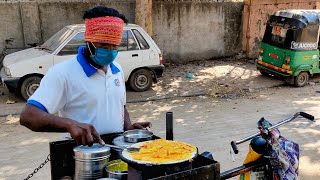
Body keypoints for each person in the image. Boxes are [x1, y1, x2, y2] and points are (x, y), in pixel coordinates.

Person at [20, 6, 151, 146]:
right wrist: (69, 124)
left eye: (115, 46)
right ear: (88, 41)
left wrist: (128, 127)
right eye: (104, 45)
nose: (110, 51)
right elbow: (28, 116)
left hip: (116, 149)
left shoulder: (117, 69)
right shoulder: (62, 73)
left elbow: (120, 106)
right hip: (81, 155)